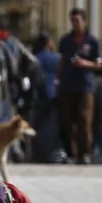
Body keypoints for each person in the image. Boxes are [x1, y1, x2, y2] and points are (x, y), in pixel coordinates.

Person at [56, 8, 102, 165]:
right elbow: (62, 61)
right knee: (67, 121)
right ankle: (70, 152)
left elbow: (99, 64)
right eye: (72, 21)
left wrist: (85, 63)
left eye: (77, 20)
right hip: (67, 85)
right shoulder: (66, 40)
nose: (75, 24)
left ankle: (85, 153)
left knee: (84, 120)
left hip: (85, 86)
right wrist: (58, 79)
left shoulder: (92, 41)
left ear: (84, 21)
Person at [31, 34, 61, 162]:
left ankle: (39, 153)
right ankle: (52, 153)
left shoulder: (35, 59)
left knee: (39, 126)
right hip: (55, 94)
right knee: (53, 126)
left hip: (39, 95)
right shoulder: (57, 58)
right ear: (49, 43)